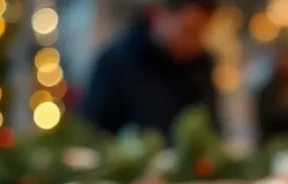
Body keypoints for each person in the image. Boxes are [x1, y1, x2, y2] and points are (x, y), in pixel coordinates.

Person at [80, 0, 217, 143]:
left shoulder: (201, 65)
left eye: (204, 32)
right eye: (189, 31)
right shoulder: (115, 61)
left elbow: (212, 127)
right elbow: (91, 130)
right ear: (157, 15)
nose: (197, 42)